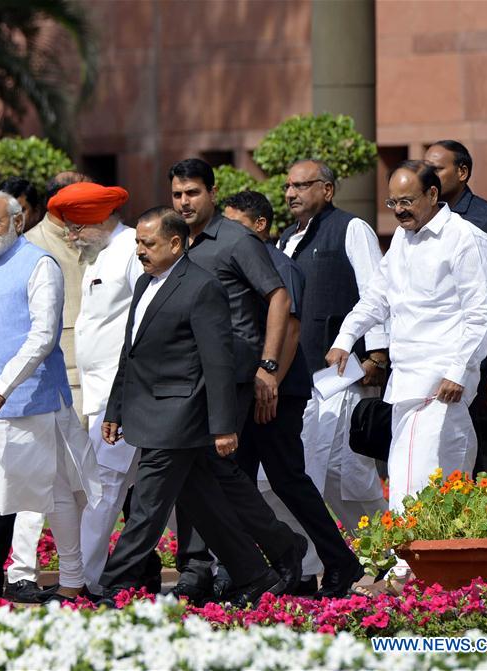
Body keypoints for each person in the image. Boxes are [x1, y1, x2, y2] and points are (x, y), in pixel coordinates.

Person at [98, 207, 287, 608]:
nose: (140, 251)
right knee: (204, 505)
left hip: (179, 418)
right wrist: (115, 408)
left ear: (175, 243)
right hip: (149, 411)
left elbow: (216, 363)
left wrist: (223, 426)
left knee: (147, 508)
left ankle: (114, 585)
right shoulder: (144, 283)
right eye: (137, 242)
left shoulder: (202, 287)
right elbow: (131, 353)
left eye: (148, 243)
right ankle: (257, 576)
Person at [0, 190, 100, 605]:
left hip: (29, 402)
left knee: (53, 493)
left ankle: (72, 580)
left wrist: (2, 388)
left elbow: (43, 336)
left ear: (17, 221)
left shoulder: (40, 264)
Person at [168, 158, 304, 603]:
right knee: (194, 468)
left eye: (193, 193)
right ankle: (203, 565)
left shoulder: (236, 239)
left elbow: (278, 296)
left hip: (232, 374)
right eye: (177, 194)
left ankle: (263, 551)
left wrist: (268, 365)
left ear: (212, 192)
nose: (184, 202)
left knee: (216, 467)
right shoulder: (174, 238)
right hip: (186, 374)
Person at [326, 160, 487, 512]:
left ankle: (426, 548)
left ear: (432, 194)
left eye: (407, 201)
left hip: (442, 383)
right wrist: (345, 338)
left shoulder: (464, 238)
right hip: (403, 383)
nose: (399, 210)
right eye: (392, 202)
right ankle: (415, 548)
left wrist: (459, 371)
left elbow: (480, 315)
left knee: (427, 481)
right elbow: (375, 298)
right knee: (407, 481)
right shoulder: (403, 240)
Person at [224, 191, 363, 598]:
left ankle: (337, 561)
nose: (227, 234)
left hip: (278, 393)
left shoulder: (279, 264)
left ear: (260, 225)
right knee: (240, 482)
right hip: (249, 392)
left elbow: (291, 329)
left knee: (288, 480)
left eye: (234, 225)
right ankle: (266, 568)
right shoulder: (237, 261)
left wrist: (271, 383)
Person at [47, 181, 159, 596]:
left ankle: (80, 582)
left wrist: (124, 396)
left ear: (98, 220)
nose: (71, 237)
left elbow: (145, 321)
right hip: (102, 397)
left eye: (76, 227)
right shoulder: (98, 256)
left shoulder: (131, 249)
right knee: (120, 490)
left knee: (103, 489)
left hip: (124, 395)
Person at [277, 159, 388, 534]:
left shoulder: (351, 228)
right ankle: (324, 557)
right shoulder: (286, 239)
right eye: (288, 186)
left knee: (349, 471)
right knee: (309, 470)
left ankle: (388, 548)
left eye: (301, 185)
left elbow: (376, 292)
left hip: (344, 373)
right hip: (299, 376)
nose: (291, 193)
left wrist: (377, 355)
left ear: (327, 189)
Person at [424, 141, 487, 469]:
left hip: (475, 363)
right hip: (434, 360)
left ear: (462, 172)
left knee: (470, 461)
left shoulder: (486, 222)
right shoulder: (427, 219)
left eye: (437, 169)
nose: (428, 175)